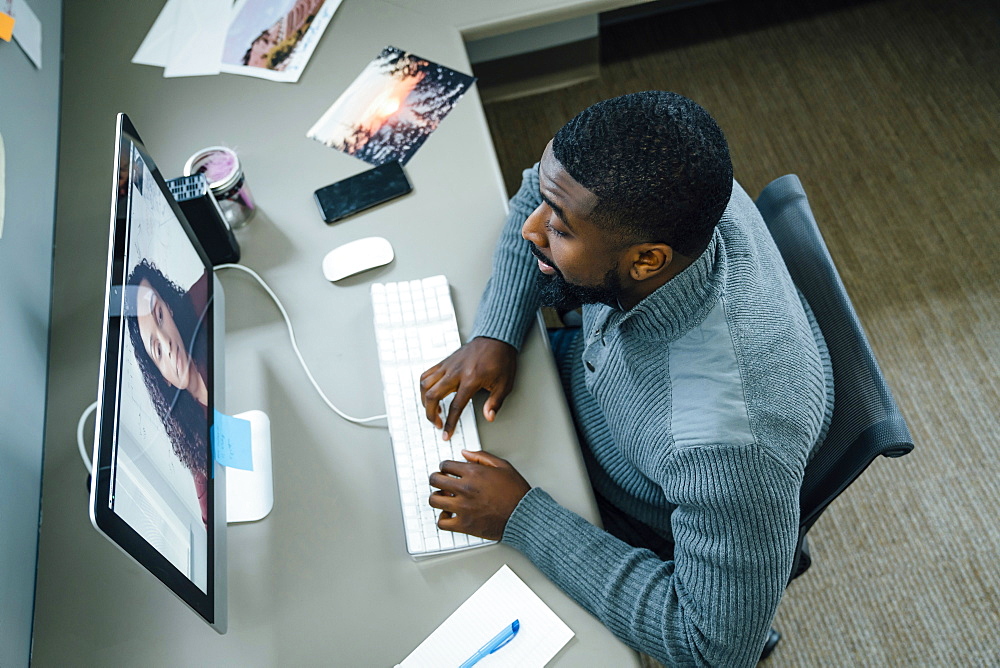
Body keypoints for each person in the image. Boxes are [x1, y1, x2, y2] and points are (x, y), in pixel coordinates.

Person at [419, 91, 834, 666]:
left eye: (558, 229)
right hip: (591, 412)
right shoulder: (673, 192)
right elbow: (531, 195)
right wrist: (497, 330)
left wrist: (524, 517)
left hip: (639, 508)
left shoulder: (726, 447)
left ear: (646, 261)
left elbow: (713, 649)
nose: (532, 229)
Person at [125, 258, 212, 527]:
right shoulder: (199, 457)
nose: (168, 344)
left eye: (159, 316)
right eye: (157, 351)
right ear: (161, 376)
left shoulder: (203, 305)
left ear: (171, 309)